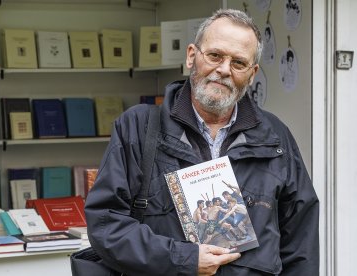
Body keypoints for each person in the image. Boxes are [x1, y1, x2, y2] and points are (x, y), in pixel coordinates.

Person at [84, 8, 319, 275]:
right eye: (215, 55)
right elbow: (106, 225)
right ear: (192, 56)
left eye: (238, 63)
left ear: (252, 74)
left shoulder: (275, 136)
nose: (224, 70)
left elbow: (301, 244)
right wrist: (184, 258)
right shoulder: (138, 128)